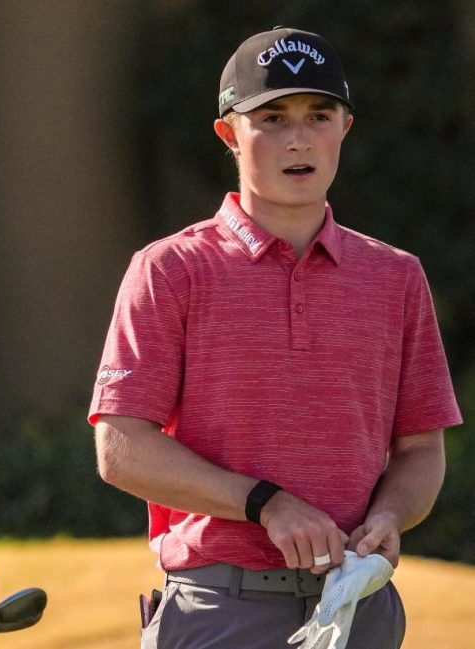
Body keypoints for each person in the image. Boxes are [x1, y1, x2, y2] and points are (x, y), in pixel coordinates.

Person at [88, 26, 462, 649]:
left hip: (361, 606)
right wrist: (266, 503)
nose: (298, 139)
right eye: (271, 117)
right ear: (229, 134)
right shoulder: (170, 269)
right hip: (219, 610)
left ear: (345, 128)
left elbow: (421, 447)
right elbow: (122, 447)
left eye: (319, 115)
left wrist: (391, 517)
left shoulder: (395, 276)